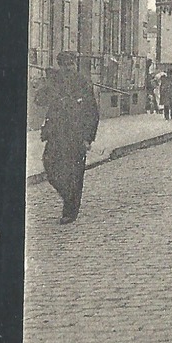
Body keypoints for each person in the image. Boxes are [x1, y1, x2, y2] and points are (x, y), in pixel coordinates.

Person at [40, 50, 99, 224]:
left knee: (74, 173)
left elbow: (92, 113)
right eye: (64, 65)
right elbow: (39, 100)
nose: (68, 68)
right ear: (60, 66)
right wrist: (47, 82)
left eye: (70, 64)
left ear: (75, 64)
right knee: (50, 167)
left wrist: (88, 138)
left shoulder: (83, 83)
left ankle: (70, 211)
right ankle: (68, 197)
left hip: (76, 135)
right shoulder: (55, 82)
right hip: (56, 134)